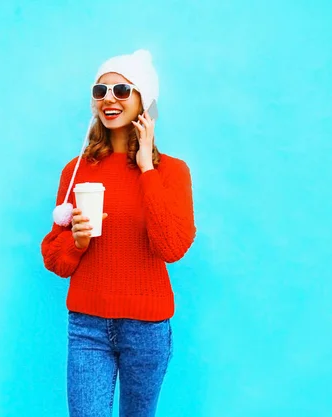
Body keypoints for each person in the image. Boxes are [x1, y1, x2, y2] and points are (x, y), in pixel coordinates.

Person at [41, 49, 196, 417]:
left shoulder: (172, 172)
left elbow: (171, 247)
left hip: (147, 329)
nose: (109, 99)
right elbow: (55, 259)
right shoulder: (76, 170)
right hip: (87, 327)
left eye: (122, 90)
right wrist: (77, 243)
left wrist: (145, 169)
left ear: (146, 101)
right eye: (100, 91)